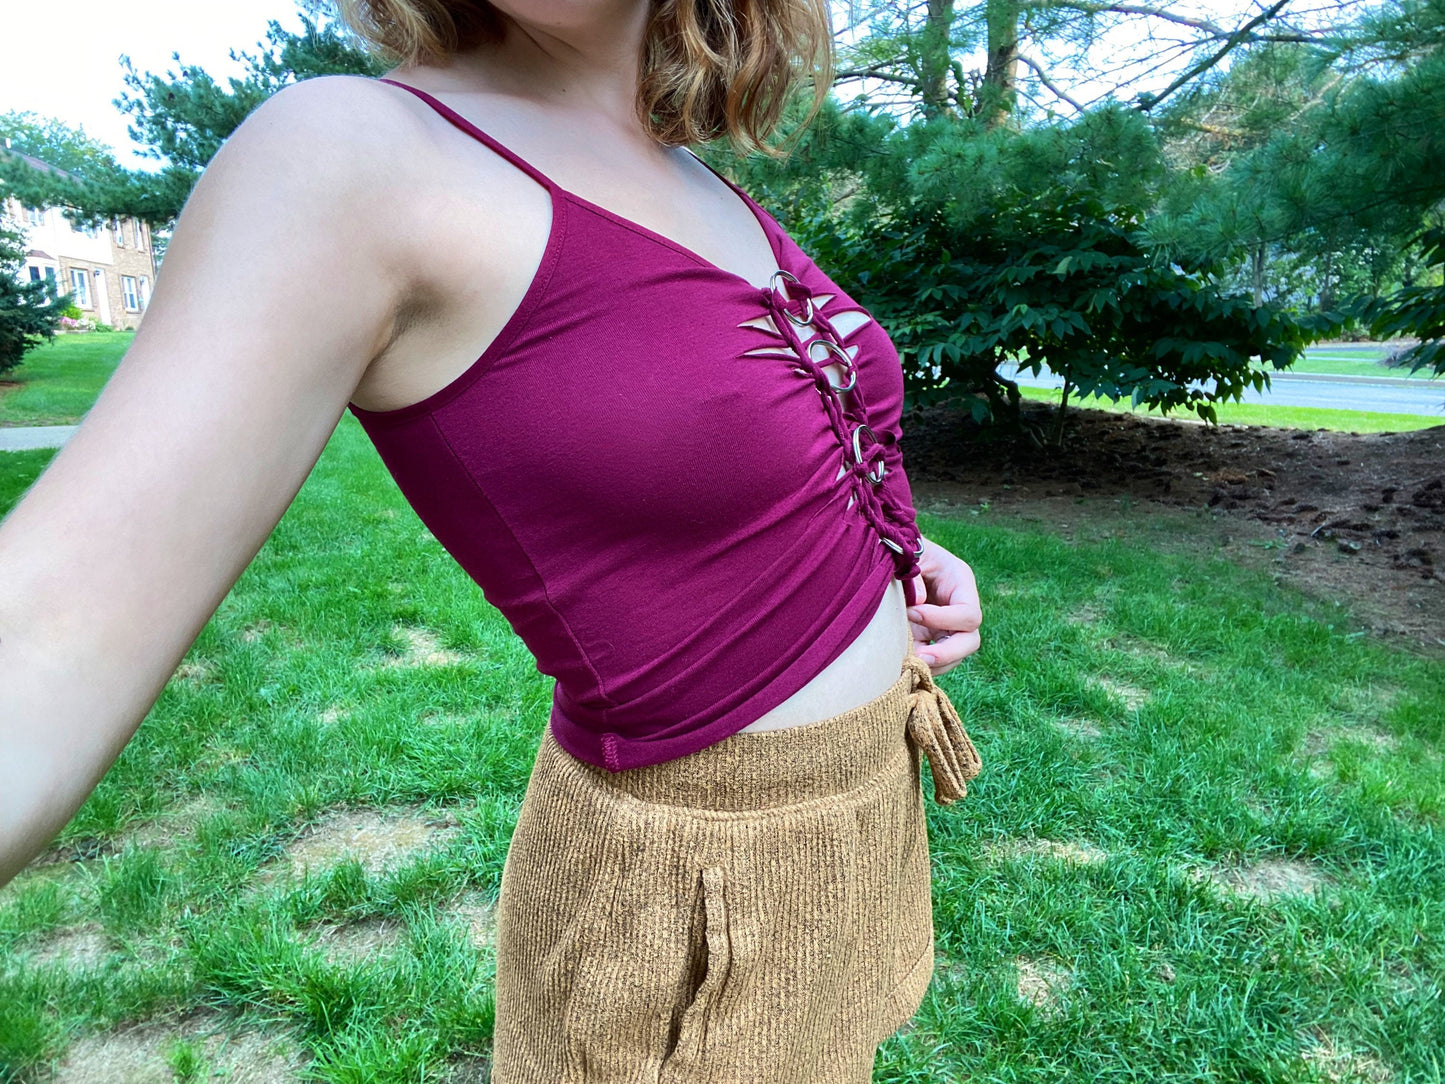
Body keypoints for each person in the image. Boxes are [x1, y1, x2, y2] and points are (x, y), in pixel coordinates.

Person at [0, 0, 984, 1078]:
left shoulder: (684, 168)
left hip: (859, 806)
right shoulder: (353, 157)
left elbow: (788, 427)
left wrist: (903, 562)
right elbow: (40, 636)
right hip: (696, 890)